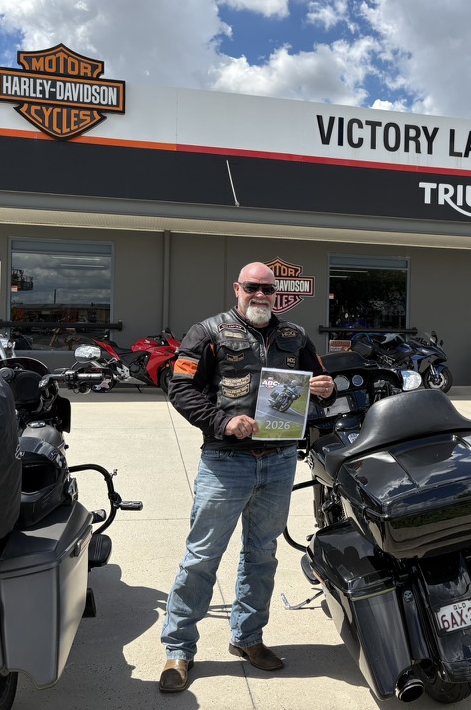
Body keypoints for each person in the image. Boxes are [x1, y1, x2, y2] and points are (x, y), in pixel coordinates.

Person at [158, 261, 336, 693]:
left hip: (278, 462)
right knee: (202, 557)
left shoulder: (294, 336)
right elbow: (179, 388)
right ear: (237, 288)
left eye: (267, 290)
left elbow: (319, 380)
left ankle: (248, 639)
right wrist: (222, 423)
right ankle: (179, 649)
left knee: (262, 555)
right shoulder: (208, 332)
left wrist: (326, 388)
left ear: (277, 294)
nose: (260, 295)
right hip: (225, 462)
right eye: (252, 287)